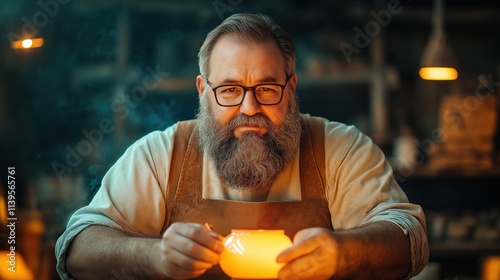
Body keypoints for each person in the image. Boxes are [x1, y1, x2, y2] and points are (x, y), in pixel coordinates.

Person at [56, 13, 428, 280]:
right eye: (230, 90)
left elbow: (409, 238)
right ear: (204, 93)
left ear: (292, 89)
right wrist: (155, 257)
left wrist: (345, 254)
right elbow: (76, 248)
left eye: (267, 89)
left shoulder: (342, 149)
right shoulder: (160, 155)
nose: (249, 109)